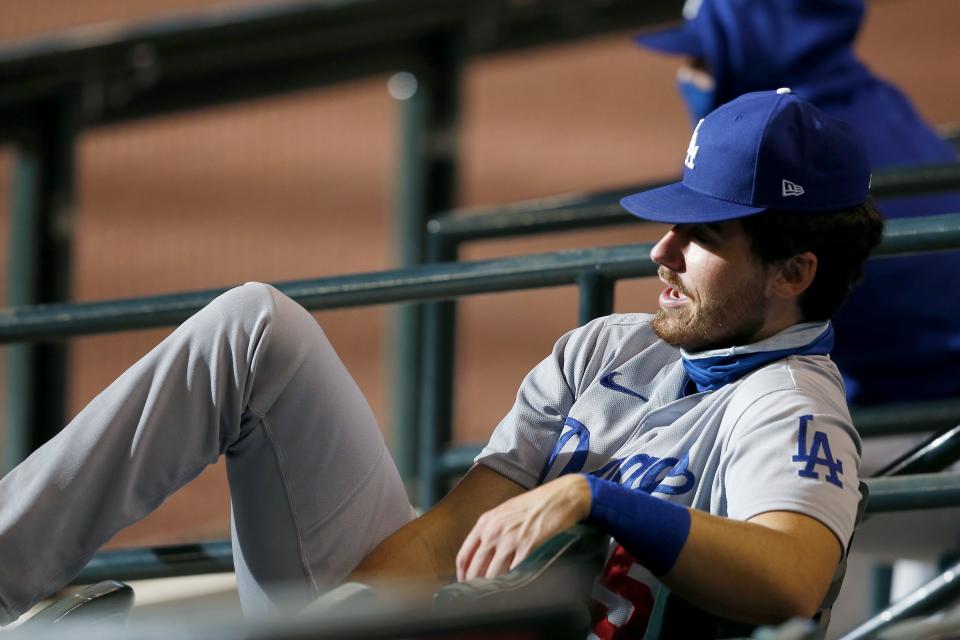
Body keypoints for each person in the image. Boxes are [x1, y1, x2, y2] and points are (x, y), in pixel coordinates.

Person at [0, 90, 883, 638]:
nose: (660, 250)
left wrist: (597, 496)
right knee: (255, 326)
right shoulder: (610, 348)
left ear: (792, 274)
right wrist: (339, 625)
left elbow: (792, 577)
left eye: (702, 237)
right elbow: (452, 529)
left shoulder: (788, 405)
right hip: (443, 626)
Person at [633, 0, 960, 408]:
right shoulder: (868, 104)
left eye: (703, 57)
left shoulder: (797, 160)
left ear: (750, 52)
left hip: (908, 404)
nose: (687, 75)